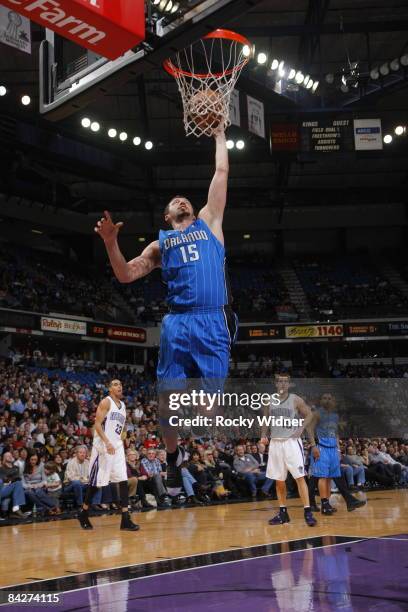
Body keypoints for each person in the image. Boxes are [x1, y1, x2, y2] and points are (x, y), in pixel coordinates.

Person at [95, 127, 238, 468]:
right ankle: (173, 455)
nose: (182, 200)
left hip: (212, 318)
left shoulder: (209, 222)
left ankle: (194, 417)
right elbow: (126, 274)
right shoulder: (160, 246)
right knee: (164, 403)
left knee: (208, 409)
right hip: (177, 321)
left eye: (185, 199)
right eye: (175, 202)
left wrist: (219, 134)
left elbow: (221, 172)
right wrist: (111, 244)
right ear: (167, 216)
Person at [78, 379, 139, 531]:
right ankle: (83, 513)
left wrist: (125, 435)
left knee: (123, 480)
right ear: (110, 389)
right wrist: (107, 442)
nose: (120, 386)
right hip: (103, 447)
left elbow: (119, 427)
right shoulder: (106, 402)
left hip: (117, 446)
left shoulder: (123, 405)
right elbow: (97, 424)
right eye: (115, 384)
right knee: (96, 484)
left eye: (120, 384)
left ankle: (125, 519)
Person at [262, 373, 317, 527]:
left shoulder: (295, 399)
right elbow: (265, 419)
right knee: (279, 480)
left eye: (285, 382)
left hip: (292, 443)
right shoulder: (268, 400)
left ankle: (308, 512)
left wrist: (301, 428)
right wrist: (262, 436)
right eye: (280, 381)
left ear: (289, 384)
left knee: (300, 477)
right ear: (275, 383)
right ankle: (283, 513)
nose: (283, 384)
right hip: (275, 443)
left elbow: (309, 414)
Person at [309, 394, 366, 514]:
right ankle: (324, 504)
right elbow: (309, 429)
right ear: (321, 400)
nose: (327, 400)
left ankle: (327, 503)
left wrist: (338, 450)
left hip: (333, 449)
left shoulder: (335, 416)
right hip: (322, 448)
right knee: (322, 477)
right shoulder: (317, 413)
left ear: (333, 401)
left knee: (330, 478)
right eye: (325, 398)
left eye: (330, 398)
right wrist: (314, 446)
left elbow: (336, 433)